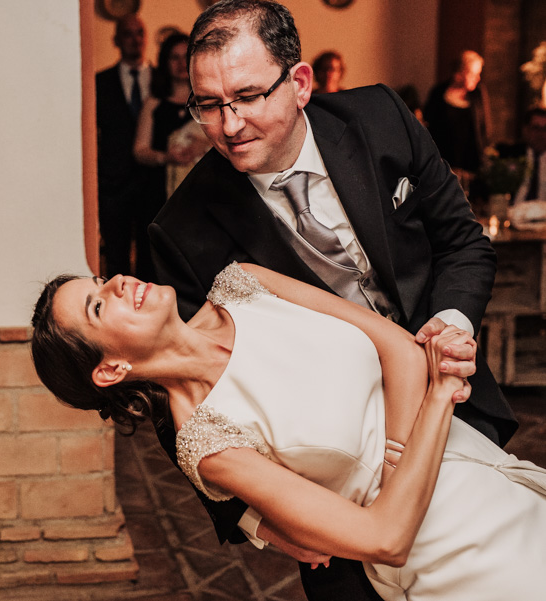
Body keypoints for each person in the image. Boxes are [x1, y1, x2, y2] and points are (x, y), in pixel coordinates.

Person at [147, 2, 516, 599]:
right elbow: (178, 399)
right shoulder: (183, 229)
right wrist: (253, 518)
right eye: (208, 105)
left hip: (453, 412)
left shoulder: (381, 119)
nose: (230, 124)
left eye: (247, 96)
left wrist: (449, 326)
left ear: (299, 84)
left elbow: (462, 243)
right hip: (331, 467)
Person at [30, 263, 546, 601]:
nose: (116, 283)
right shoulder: (207, 443)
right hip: (453, 556)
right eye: (99, 305)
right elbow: (385, 540)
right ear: (111, 370)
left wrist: (396, 463)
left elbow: (400, 350)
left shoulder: (243, 282)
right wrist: (437, 397)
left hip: (490, 480)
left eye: (99, 280)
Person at [96, 14, 155, 280]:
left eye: (140, 33)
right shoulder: (99, 83)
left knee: (151, 255)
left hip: (153, 183)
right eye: (128, 34)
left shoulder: (161, 80)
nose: (135, 39)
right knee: (116, 256)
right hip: (113, 184)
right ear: (116, 40)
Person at [134, 32, 211, 204]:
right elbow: (140, 151)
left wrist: (205, 146)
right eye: (174, 58)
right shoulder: (153, 103)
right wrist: (166, 157)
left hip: (201, 190)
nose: (181, 63)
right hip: (160, 190)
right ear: (165, 62)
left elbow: (224, 141)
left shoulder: (208, 100)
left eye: (185, 56)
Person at [423, 50, 491, 192]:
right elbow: (428, 129)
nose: (477, 78)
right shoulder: (439, 93)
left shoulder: (478, 94)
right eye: (473, 74)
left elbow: (484, 129)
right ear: (459, 73)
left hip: (471, 168)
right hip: (443, 166)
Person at [513, 106, 546, 203]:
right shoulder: (511, 154)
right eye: (536, 128)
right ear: (526, 130)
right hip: (512, 212)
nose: (541, 134)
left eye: (545, 129)